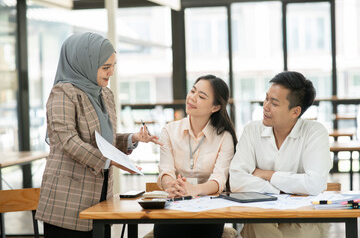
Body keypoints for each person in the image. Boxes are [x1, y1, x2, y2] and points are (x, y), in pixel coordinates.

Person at [35, 32, 162, 238]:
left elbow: (102, 141)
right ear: (85, 63)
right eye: (105, 67)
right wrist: (109, 160)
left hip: (99, 195)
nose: (111, 72)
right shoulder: (63, 92)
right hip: (68, 199)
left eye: (113, 66)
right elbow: (66, 140)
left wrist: (133, 138)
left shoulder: (105, 94)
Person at [229, 71, 332, 238]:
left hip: (301, 217)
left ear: (295, 111)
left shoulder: (315, 133)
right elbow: (236, 180)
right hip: (260, 215)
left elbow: (314, 184)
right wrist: (284, 191)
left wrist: (267, 175)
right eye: (266, 98)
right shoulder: (252, 131)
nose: (266, 106)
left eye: (274, 103)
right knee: (258, 226)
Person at [154, 75, 237, 238]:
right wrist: (171, 186)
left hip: (209, 210)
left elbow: (219, 179)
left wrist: (194, 190)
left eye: (201, 96)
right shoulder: (169, 131)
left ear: (215, 107)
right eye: (192, 91)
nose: (192, 98)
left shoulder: (224, 137)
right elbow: (165, 170)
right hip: (175, 205)